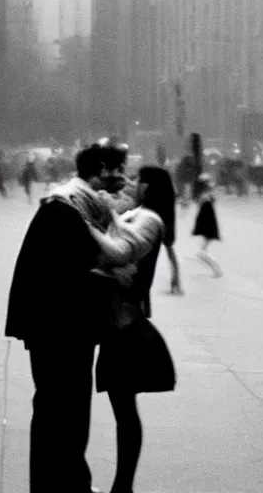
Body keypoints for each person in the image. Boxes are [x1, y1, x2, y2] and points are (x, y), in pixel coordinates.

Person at [5, 143, 128, 493]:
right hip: (58, 330)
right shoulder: (67, 209)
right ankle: (57, 485)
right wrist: (114, 275)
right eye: (117, 171)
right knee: (61, 410)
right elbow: (74, 271)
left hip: (63, 327)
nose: (121, 180)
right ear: (99, 171)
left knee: (65, 410)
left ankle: (69, 481)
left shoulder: (77, 207)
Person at [88, 166, 177, 493]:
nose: (130, 184)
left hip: (125, 322)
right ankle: (122, 487)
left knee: (124, 409)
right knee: (122, 407)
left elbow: (126, 249)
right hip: (116, 318)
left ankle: (123, 486)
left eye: (137, 181)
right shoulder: (138, 214)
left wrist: (106, 215)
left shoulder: (151, 219)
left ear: (149, 187)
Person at [192, 173, 223, 278]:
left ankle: (217, 270)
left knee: (201, 253)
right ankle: (216, 270)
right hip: (209, 229)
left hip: (208, 229)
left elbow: (204, 217)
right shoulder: (207, 197)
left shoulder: (205, 198)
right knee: (201, 252)